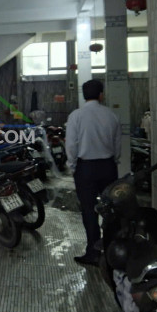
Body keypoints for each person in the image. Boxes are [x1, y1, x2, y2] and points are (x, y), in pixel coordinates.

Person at [65, 79, 121, 266]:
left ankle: (93, 253)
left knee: (89, 211)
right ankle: (113, 252)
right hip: (108, 167)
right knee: (110, 210)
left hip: (85, 169)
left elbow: (71, 145)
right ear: (101, 95)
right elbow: (117, 144)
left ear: (84, 95)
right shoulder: (111, 115)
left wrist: (73, 166)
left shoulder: (76, 116)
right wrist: (114, 161)